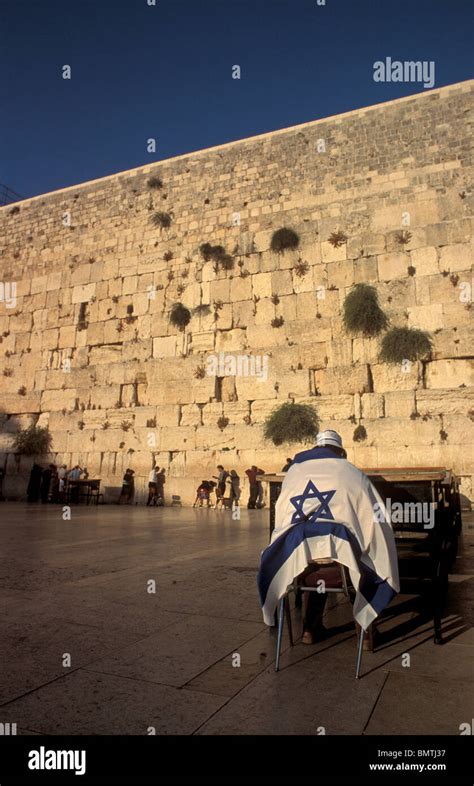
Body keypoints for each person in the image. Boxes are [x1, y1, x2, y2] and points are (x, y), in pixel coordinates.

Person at [258, 430, 399, 648]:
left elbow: (282, 518)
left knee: (314, 559)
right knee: (360, 557)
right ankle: (366, 633)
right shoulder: (351, 472)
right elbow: (375, 518)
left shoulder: (293, 473)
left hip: (299, 563)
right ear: (339, 452)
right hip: (343, 565)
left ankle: (309, 629)